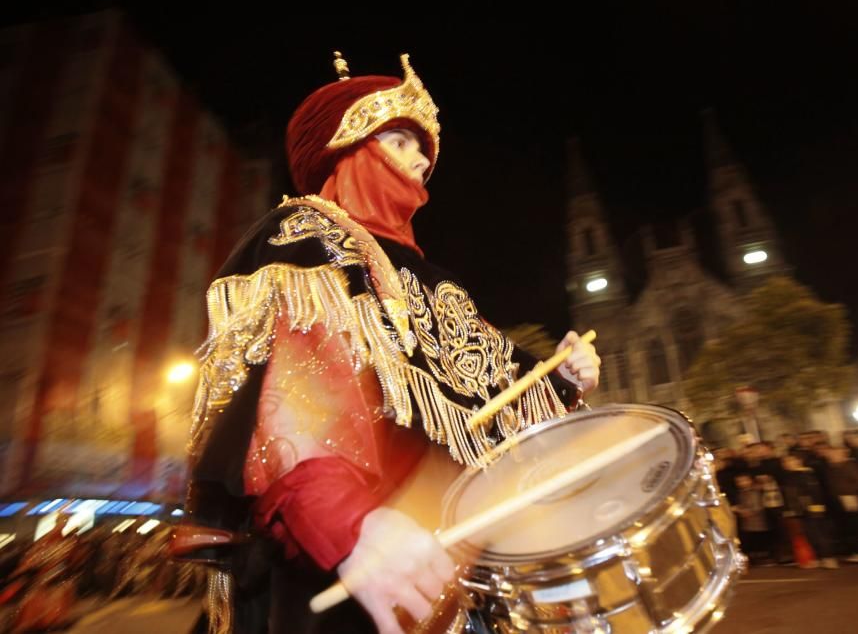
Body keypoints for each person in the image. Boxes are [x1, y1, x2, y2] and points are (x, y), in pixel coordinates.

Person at [172, 53, 601, 634]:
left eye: (425, 150)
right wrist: (350, 525)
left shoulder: (430, 279)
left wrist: (561, 378)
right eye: (401, 140)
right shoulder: (305, 236)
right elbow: (295, 391)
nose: (422, 160)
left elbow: (491, 380)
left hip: (452, 573)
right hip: (351, 565)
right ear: (348, 142)